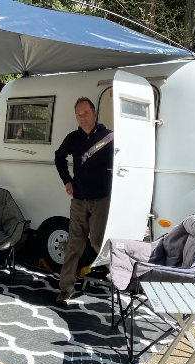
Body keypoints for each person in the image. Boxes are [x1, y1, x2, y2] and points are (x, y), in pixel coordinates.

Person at [54, 97, 114, 306]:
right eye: (78, 115)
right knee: (73, 246)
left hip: (101, 201)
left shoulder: (109, 138)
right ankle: (65, 289)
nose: (82, 118)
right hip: (79, 200)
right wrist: (67, 180)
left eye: (85, 113)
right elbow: (59, 158)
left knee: (100, 242)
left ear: (95, 113)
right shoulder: (73, 138)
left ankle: (119, 279)